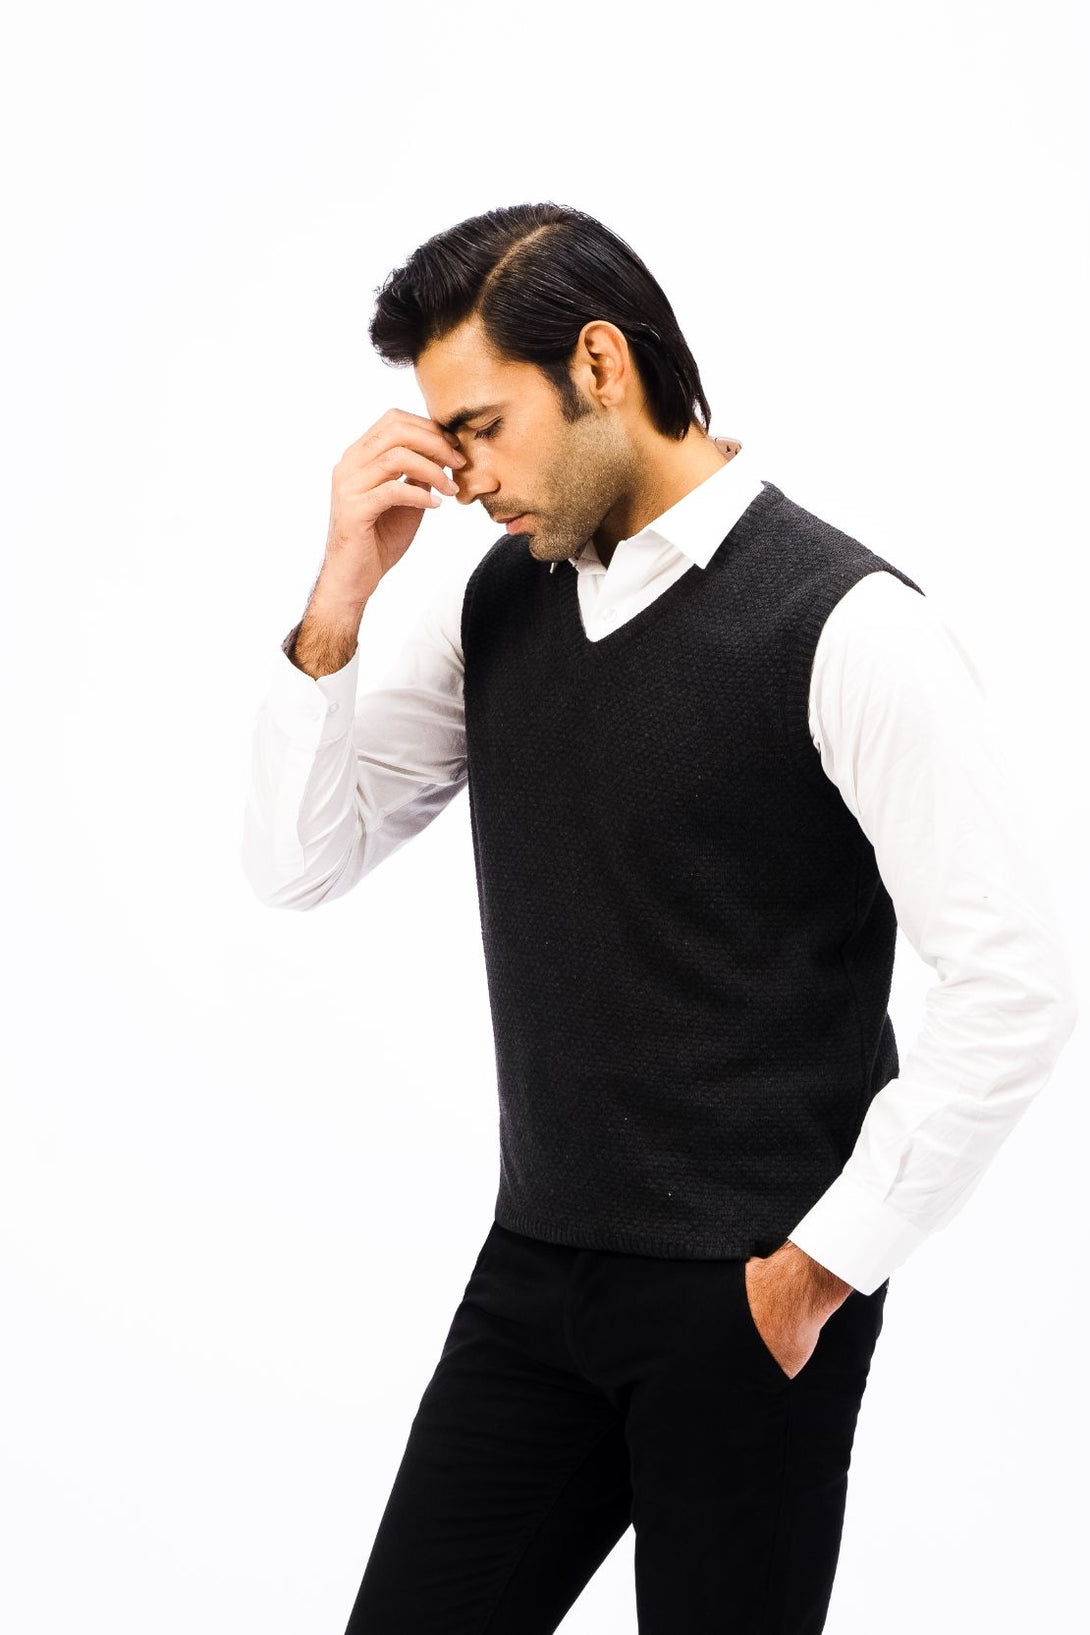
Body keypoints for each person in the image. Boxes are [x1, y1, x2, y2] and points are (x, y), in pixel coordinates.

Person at [240, 201, 1078, 1634]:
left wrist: (815, 1275)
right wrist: (341, 595)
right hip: (535, 1272)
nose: (462, 477)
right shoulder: (497, 603)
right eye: (445, 436)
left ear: (600, 365)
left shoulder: (848, 624)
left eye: (483, 428)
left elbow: (1014, 982)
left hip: (751, 1300)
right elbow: (299, 863)